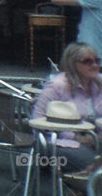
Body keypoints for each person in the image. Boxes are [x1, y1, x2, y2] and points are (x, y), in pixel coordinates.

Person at [31, 42, 102, 171]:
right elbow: (38, 122)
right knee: (96, 166)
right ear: (72, 64)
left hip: (94, 138)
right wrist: (76, 137)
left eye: (97, 61)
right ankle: (81, 187)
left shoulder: (99, 82)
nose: (95, 65)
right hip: (57, 142)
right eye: (88, 61)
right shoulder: (56, 86)